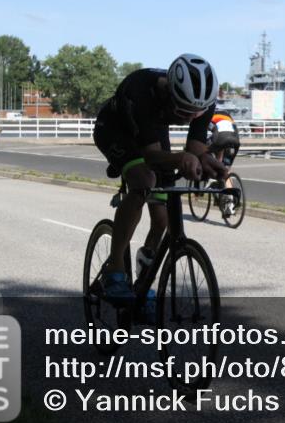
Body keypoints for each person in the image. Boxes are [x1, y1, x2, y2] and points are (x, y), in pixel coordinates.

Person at [93, 54, 226, 305]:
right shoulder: (142, 90)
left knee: (161, 216)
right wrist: (180, 159)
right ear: (170, 93)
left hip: (152, 130)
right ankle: (115, 268)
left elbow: (195, 149)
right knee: (144, 181)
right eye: (184, 111)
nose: (189, 118)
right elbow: (152, 156)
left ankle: (143, 281)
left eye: (195, 114)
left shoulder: (203, 102)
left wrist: (206, 160)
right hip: (115, 130)